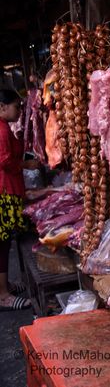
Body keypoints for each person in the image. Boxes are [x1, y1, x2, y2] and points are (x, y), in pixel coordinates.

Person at [0, 89, 30, 311]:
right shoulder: (0, 130)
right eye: (17, 106)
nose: (20, 111)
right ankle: (3, 295)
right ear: (2, 107)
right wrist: (26, 165)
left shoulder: (5, 129)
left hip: (8, 190)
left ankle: (5, 286)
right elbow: (5, 160)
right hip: (4, 192)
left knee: (5, 243)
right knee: (2, 245)